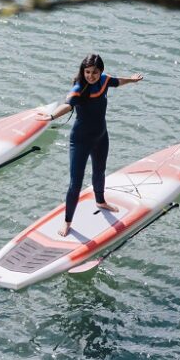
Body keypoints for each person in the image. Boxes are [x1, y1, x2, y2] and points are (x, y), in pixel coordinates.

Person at [38, 54, 143, 237]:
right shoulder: (79, 88)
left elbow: (118, 81)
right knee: (75, 184)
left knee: (99, 171)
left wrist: (132, 81)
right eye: (87, 72)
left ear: (100, 71)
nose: (91, 75)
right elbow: (68, 105)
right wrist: (52, 116)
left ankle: (100, 201)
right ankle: (67, 222)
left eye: (94, 72)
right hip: (80, 141)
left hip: (101, 136)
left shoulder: (104, 81)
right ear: (82, 71)